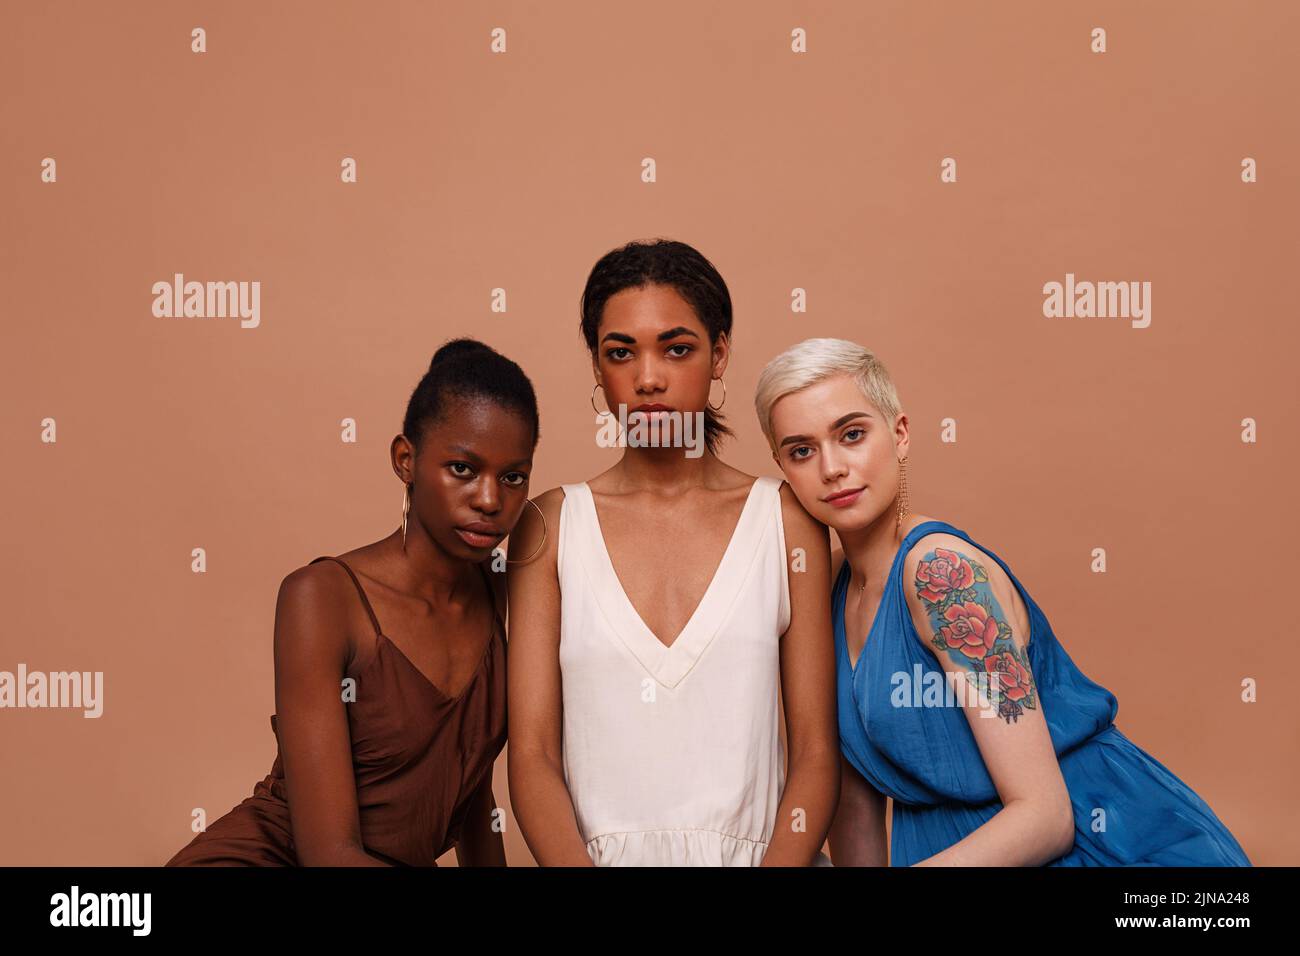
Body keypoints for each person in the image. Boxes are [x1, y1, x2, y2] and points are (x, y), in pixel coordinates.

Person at [753, 336, 1252, 866]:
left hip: (1106, 846)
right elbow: (854, 809)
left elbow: (1045, 817)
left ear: (900, 435)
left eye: (852, 434)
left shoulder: (942, 575)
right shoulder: (823, 587)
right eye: (802, 451)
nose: (831, 468)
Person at [507, 239, 839, 866]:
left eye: (677, 348)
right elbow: (532, 758)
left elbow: (817, 754)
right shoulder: (549, 525)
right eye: (620, 352)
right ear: (597, 368)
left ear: (719, 354)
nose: (649, 377)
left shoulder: (786, 520)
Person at [166, 338, 540, 866]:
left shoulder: (505, 600)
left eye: (512, 477)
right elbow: (328, 854)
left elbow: (472, 793)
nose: (488, 499)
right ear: (405, 460)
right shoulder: (321, 599)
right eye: (462, 468)